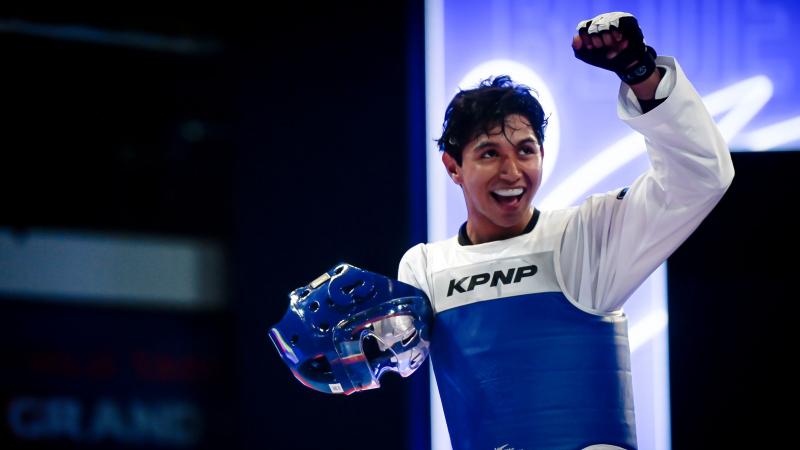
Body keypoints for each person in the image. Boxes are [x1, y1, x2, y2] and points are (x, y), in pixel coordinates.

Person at [397, 11, 734, 450]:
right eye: (488, 154)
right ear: (453, 167)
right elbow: (384, 361)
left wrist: (641, 74)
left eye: (525, 149)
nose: (512, 171)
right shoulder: (424, 267)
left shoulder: (585, 238)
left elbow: (702, 176)